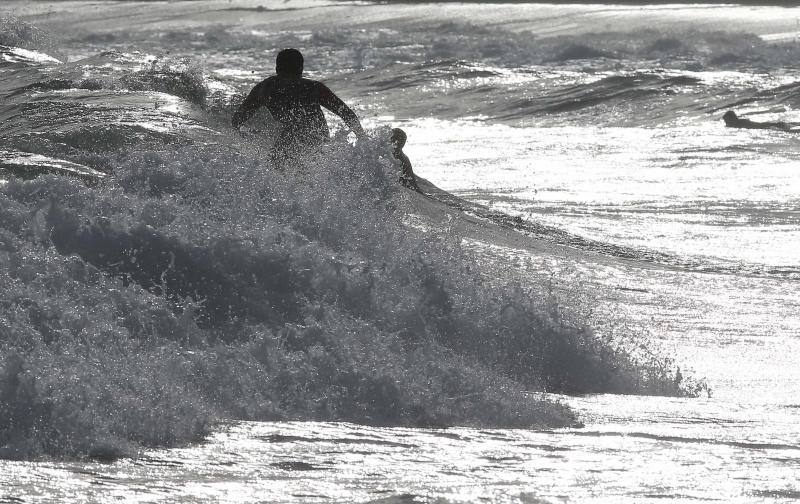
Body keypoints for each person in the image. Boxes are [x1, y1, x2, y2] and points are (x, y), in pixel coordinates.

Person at [232, 48, 367, 164]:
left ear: (277, 68)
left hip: (293, 140)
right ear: (301, 69)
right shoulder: (313, 88)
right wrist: (364, 141)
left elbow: (238, 120)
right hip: (318, 139)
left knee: (277, 158)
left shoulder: (264, 89)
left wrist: (249, 136)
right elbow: (346, 113)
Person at [722, 110, 793, 132]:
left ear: (731, 118)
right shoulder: (735, 123)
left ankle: (781, 125)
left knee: (764, 125)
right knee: (765, 125)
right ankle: (780, 124)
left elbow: (749, 124)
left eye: (726, 120)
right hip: (756, 126)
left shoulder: (737, 123)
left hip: (756, 126)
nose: (726, 122)